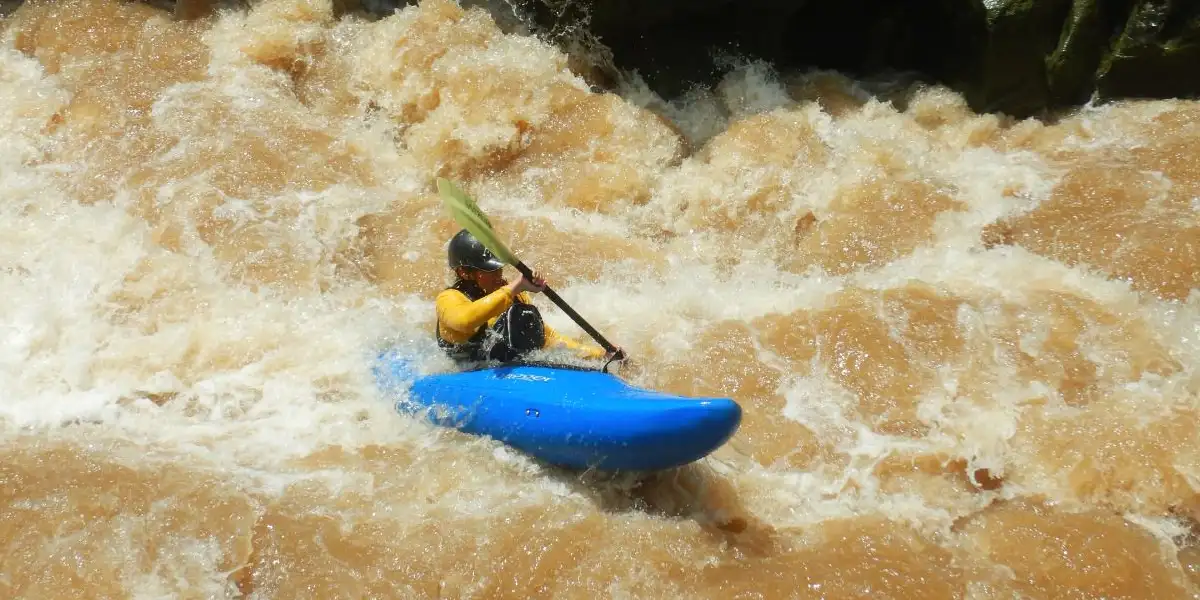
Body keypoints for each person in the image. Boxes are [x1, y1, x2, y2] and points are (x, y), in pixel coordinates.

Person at [434, 229, 617, 364]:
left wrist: (600, 355)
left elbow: (548, 338)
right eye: (489, 270)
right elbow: (465, 320)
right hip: (467, 372)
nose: (498, 273)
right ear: (465, 273)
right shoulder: (448, 299)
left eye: (499, 267)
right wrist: (516, 286)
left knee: (523, 315)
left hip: (507, 368)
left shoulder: (511, 294)